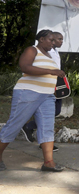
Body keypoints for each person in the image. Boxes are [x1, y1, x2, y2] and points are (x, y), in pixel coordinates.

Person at [0, 30, 65, 172]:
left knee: (47, 127)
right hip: (28, 92)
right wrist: (52, 71)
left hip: (47, 95)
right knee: (15, 124)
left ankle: (48, 162)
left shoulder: (50, 55)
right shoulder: (32, 50)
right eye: (51, 40)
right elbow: (25, 67)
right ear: (41, 39)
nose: (53, 43)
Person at [21, 32, 64, 152]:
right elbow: (29, 68)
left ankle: (33, 130)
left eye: (62, 39)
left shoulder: (55, 52)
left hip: (53, 85)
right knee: (47, 115)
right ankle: (33, 131)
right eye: (58, 39)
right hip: (44, 87)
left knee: (53, 113)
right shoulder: (42, 51)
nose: (61, 42)